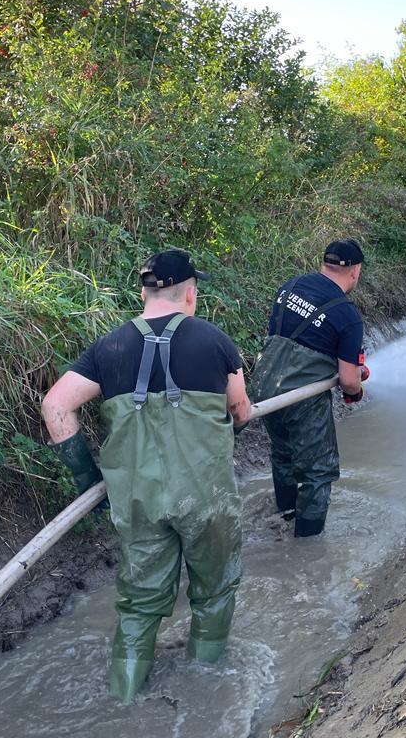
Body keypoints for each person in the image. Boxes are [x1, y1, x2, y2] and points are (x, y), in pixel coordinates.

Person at [41, 249, 252, 702]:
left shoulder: (108, 348)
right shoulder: (215, 342)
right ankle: (206, 690)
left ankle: (123, 704)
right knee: (214, 590)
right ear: (191, 292)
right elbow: (241, 410)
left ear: (144, 291)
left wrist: (88, 481)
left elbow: (56, 407)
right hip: (205, 496)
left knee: (138, 606)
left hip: (136, 500)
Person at [252, 239, 369, 538]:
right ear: (355, 271)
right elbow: (348, 380)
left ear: (324, 263)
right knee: (318, 471)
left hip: (266, 389)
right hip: (303, 399)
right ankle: (307, 544)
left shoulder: (288, 287)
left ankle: (285, 517)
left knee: (283, 456)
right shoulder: (347, 315)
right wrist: (355, 390)